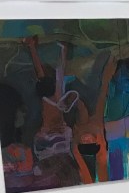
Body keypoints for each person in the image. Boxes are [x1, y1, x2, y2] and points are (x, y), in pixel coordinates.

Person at [24, 36, 78, 160]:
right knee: (54, 76)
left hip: (51, 110)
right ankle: (35, 46)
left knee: (50, 76)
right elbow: (66, 131)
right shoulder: (55, 99)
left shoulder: (46, 145)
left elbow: (39, 137)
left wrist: (49, 133)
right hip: (55, 108)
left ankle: (34, 46)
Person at [72, 52, 117, 184]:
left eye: (84, 142)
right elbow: (102, 95)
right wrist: (108, 75)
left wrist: (75, 101)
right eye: (90, 142)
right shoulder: (97, 134)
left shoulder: (80, 131)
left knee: (92, 85)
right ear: (96, 141)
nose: (86, 139)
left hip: (79, 99)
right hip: (92, 102)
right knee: (99, 83)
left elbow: (81, 106)